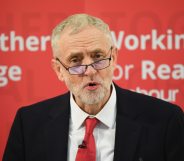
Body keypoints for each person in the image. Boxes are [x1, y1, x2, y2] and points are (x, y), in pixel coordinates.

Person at [3, 13, 184, 161]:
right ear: (59, 70)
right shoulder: (28, 124)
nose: (89, 71)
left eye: (98, 56)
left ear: (113, 58)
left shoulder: (166, 120)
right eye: (75, 60)